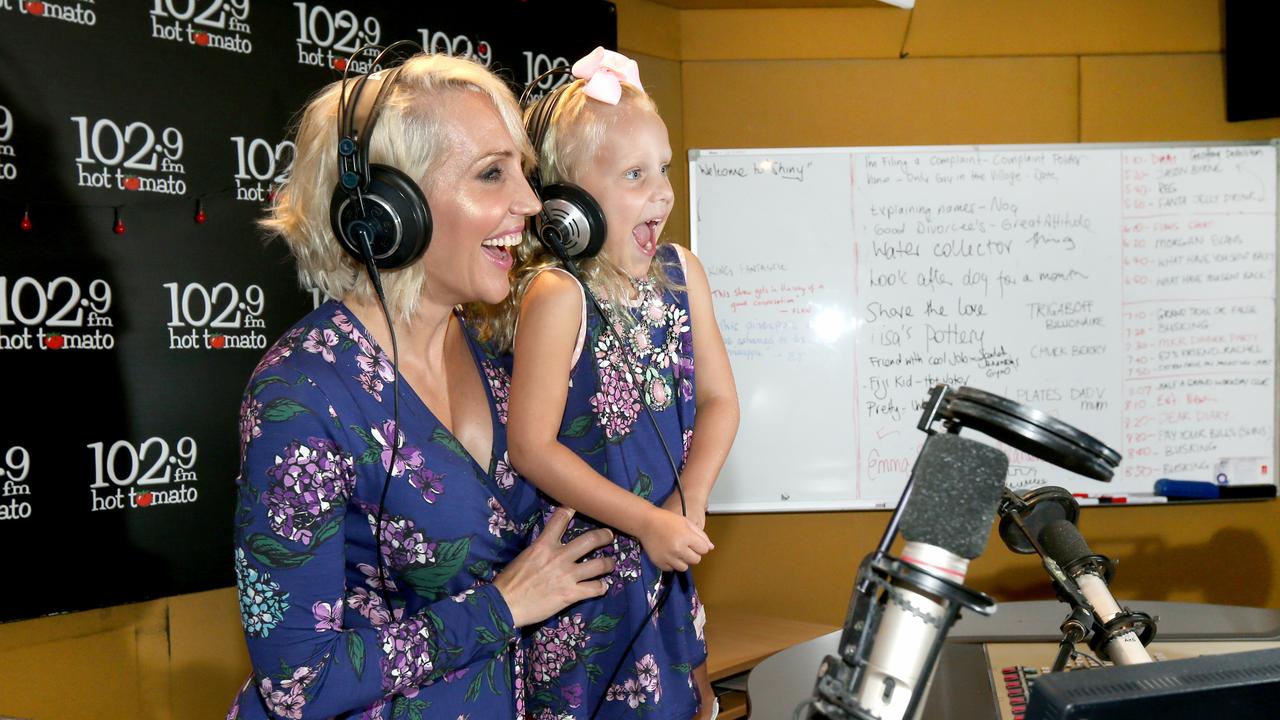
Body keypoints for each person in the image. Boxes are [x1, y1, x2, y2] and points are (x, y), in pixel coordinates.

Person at [228, 51, 617, 720]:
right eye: (491, 174)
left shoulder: (497, 348)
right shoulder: (301, 395)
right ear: (388, 209)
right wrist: (502, 607)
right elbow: (299, 684)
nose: (528, 202)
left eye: (523, 173)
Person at [486, 47, 740, 719]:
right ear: (570, 204)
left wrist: (692, 499)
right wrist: (647, 521)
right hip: (590, 585)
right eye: (634, 174)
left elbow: (719, 401)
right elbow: (533, 449)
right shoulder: (557, 295)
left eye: (662, 167)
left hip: (668, 559)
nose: (661, 191)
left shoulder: (685, 274)